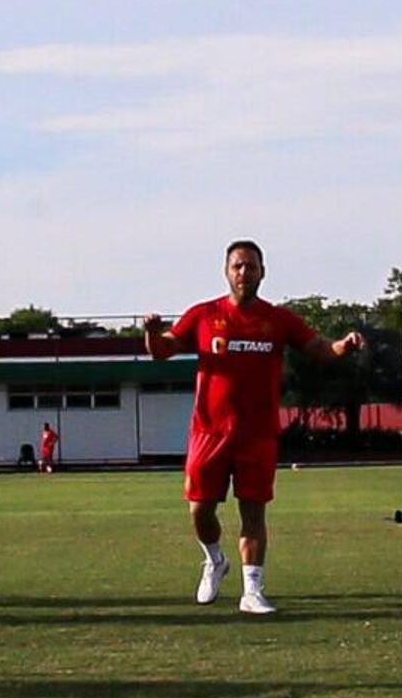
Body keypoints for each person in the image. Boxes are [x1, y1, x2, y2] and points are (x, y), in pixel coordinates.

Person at [141, 240, 363, 613]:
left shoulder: (278, 319)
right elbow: (162, 351)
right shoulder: (203, 314)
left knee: (253, 512)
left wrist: (345, 345)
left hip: (257, 434)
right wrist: (151, 332)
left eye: (251, 266)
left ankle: (252, 591)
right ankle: (214, 560)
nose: (244, 273)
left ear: (263, 272)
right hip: (209, 432)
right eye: (238, 266)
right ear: (227, 272)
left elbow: (321, 349)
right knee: (199, 509)